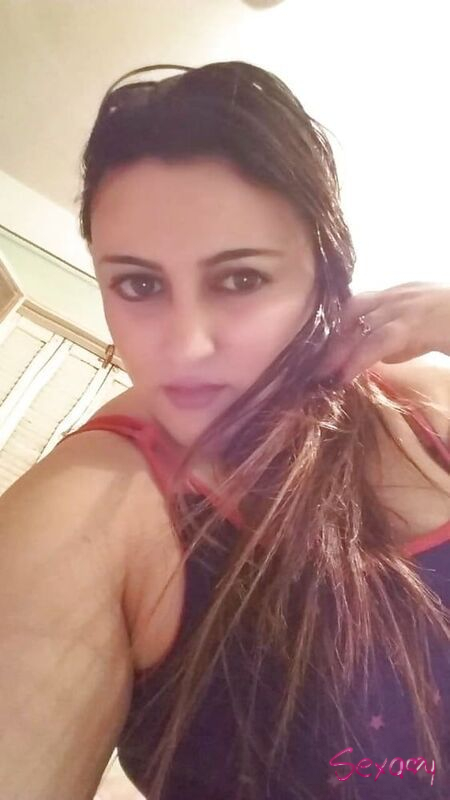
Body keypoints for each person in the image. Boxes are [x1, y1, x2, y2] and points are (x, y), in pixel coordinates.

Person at [1, 61, 449, 800]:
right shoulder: (91, 506)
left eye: (240, 279)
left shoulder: (426, 407)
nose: (186, 346)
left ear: (323, 277)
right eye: (139, 284)